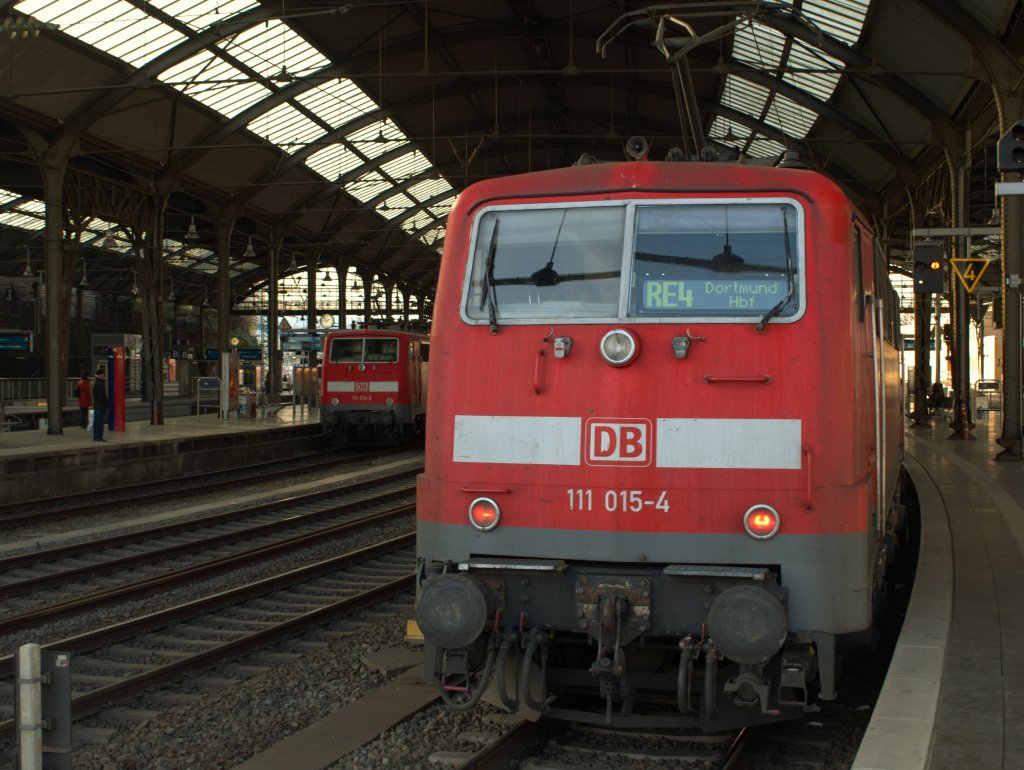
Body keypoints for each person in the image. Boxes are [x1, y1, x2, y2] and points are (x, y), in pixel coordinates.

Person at [91, 368, 109, 441]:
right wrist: (106, 403)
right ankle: (98, 437)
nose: (103, 377)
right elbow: (102, 396)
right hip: (101, 406)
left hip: (97, 405)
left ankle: (95, 437)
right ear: (99, 375)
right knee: (99, 423)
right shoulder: (99, 384)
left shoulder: (95, 383)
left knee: (96, 422)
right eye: (102, 376)